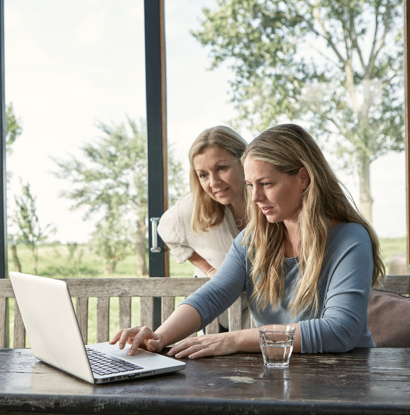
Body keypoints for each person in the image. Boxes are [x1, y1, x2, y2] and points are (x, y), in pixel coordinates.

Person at [111, 123, 385, 357]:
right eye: (252, 186)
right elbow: (214, 294)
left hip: (346, 380)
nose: (255, 198)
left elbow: (340, 331)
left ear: (303, 177)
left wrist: (235, 339)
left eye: (266, 184)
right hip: (280, 376)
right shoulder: (254, 239)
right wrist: (159, 337)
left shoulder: (349, 239)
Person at [157, 125, 251, 330]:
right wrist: (208, 269)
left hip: (270, 320)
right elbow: (167, 231)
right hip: (218, 318)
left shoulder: (270, 202)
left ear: (245, 162)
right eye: (203, 175)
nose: (214, 182)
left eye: (222, 168)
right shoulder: (190, 209)